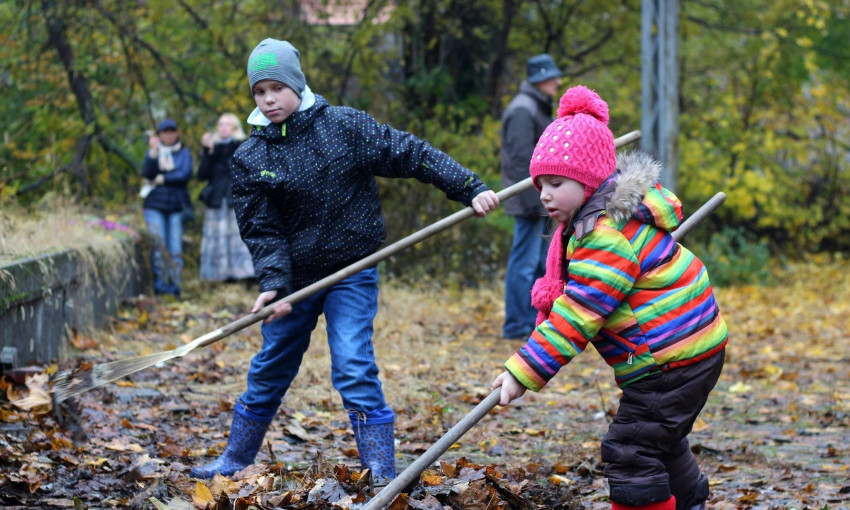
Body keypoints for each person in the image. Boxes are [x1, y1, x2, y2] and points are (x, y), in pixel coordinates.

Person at [190, 39, 500, 487]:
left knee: (353, 364)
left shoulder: (344, 126)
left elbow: (410, 153)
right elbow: (262, 229)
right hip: (294, 281)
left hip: (352, 270)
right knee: (269, 366)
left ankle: (381, 472)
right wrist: (274, 282)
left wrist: (468, 186)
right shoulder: (250, 157)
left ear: (296, 84)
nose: (269, 99)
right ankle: (235, 459)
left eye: (277, 87)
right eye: (260, 91)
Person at [491, 86, 728, 510]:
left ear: (588, 182)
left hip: (668, 359)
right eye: (540, 183)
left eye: (556, 183)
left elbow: (579, 313)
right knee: (657, 437)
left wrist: (524, 369)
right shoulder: (605, 221)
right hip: (690, 348)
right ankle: (689, 500)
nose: (544, 194)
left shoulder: (603, 237)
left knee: (630, 451)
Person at [500, 54, 563, 339]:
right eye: (552, 77)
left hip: (536, 198)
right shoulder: (524, 110)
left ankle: (530, 322)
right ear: (539, 79)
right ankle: (516, 325)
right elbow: (520, 160)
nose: (558, 82)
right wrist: (535, 200)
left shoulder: (535, 106)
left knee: (537, 264)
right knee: (524, 264)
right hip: (530, 200)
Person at [197, 113, 255, 283]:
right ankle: (220, 275)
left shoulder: (242, 145)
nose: (223, 127)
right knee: (217, 237)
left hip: (236, 199)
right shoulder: (212, 148)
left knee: (238, 237)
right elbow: (202, 175)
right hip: (216, 200)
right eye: (220, 124)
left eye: (227, 124)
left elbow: (242, 170)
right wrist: (208, 152)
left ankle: (244, 274)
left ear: (234, 127)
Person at [141, 118, 192, 298]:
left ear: (176, 133)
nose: (169, 135)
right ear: (160, 134)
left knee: (175, 248)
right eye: (165, 132)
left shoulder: (184, 153)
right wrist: (154, 152)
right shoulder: (153, 153)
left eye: (172, 131)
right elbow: (147, 173)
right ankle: (162, 288)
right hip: (154, 205)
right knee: (159, 248)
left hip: (176, 206)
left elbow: (184, 174)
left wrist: (162, 179)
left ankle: (175, 288)